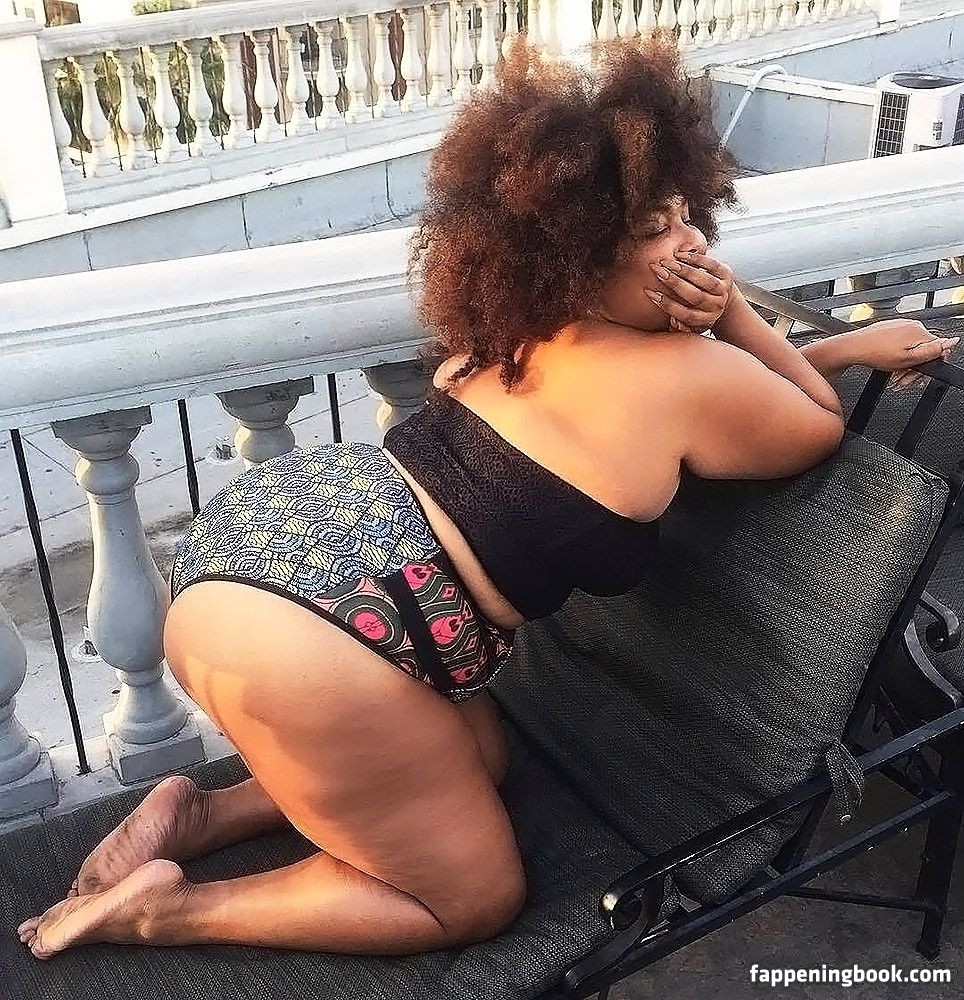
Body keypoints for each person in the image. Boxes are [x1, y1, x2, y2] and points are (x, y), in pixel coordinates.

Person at [17, 34, 957, 960]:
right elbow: (813, 421)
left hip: (265, 549)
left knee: (485, 761)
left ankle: (202, 813)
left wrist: (838, 346)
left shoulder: (509, 335)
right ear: (575, 255)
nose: (691, 246)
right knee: (470, 900)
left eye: (685, 217)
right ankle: (167, 910)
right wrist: (738, 311)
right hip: (323, 643)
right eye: (652, 232)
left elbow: (722, 405)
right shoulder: (693, 372)